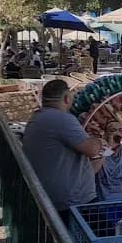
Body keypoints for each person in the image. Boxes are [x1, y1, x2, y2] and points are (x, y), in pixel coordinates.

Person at [22, 80, 103, 223]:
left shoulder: (37, 118)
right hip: (73, 202)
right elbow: (92, 149)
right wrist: (99, 138)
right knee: (102, 240)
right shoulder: (63, 119)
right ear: (66, 97)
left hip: (48, 195)